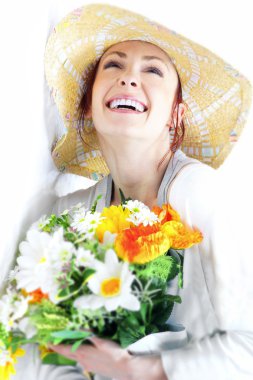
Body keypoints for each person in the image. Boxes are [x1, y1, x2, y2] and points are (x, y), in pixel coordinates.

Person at [12, 3, 253, 380]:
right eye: (113, 65)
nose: (128, 79)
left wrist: (141, 370)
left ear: (176, 113)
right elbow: (35, 351)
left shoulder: (197, 192)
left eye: (152, 70)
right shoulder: (70, 217)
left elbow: (248, 349)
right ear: (89, 105)